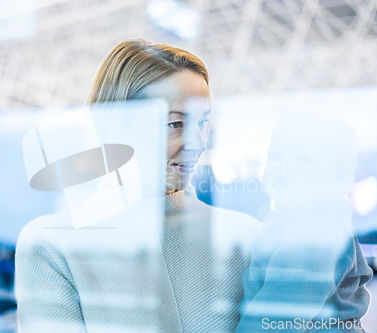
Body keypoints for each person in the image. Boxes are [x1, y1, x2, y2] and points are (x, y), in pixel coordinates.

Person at [15, 39, 261, 332]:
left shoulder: (245, 238)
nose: (199, 144)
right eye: (176, 124)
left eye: (202, 122)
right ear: (116, 127)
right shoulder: (53, 246)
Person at [235, 111, 372, 333]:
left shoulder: (318, 224)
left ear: (339, 180)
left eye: (302, 158)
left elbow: (280, 312)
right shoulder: (299, 218)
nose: (282, 166)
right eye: (275, 155)